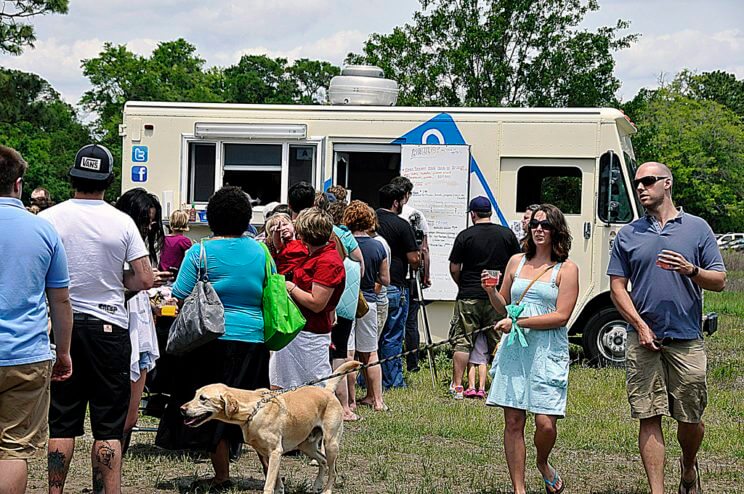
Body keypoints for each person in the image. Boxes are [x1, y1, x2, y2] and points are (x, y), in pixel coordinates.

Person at [40, 144, 154, 494]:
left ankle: (55, 490)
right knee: (107, 427)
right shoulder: (121, 221)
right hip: (109, 327)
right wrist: (118, 286)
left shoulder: (48, 219)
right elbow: (145, 278)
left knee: (61, 422)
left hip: (63, 328)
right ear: (108, 180)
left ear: (73, 176)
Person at [608, 162, 726, 494]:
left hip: (687, 338)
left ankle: (688, 467)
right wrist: (639, 326)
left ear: (667, 183)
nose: (641, 188)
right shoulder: (629, 234)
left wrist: (692, 270)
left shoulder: (697, 228)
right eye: (637, 183)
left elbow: (719, 280)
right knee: (649, 414)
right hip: (643, 339)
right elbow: (618, 286)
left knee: (691, 419)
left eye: (647, 181)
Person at [155, 186, 270, 491]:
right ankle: (271, 475)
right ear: (246, 218)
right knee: (256, 409)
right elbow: (271, 287)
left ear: (212, 218)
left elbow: (178, 294)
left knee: (213, 409)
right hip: (254, 338)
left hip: (210, 340)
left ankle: (221, 475)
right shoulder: (261, 251)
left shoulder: (200, 251)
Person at [482, 204, 579, 494]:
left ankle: (543, 462)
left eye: (546, 225)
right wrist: (491, 292)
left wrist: (520, 322)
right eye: (535, 224)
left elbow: (562, 316)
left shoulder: (567, 269)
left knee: (545, 423)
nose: (538, 229)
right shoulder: (515, 262)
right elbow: (503, 305)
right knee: (513, 421)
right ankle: (519, 488)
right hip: (516, 350)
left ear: (556, 231)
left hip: (547, 349)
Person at [0, 145, 73, 494]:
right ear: (18, 184)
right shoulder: (43, 231)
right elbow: (60, 299)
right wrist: (64, 352)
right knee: (14, 449)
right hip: (26, 353)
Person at [114, 188, 170, 455]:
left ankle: (114, 469)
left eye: (152, 221)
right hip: (121, 325)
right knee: (119, 414)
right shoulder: (116, 241)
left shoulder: (144, 244)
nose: (150, 226)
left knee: (131, 415)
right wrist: (142, 284)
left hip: (141, 322)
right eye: (145, 221)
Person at [448, 196, 521, 399]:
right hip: (497, 296)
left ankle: (457, 386)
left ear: (473, 214)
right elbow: (517, 263)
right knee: (498, 339)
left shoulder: (465, 236)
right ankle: (501, 383)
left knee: (463, 340)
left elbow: (454, 267)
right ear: (490, 213)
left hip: (469, 295)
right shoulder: (506, 235)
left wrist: (463, 284)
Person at [270, 207, 346, 389]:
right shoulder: (312, 254)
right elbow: (285, 255)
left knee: (315, 389)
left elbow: (317, 303)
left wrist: (291, 287)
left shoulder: (328, 262)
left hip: (311, 335)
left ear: (304, 235)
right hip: (295, 331)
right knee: (281, 384)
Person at [344, 201, 390, 411]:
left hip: (347, 301)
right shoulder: (378, 246)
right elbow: (386, 279)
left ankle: (350, 401)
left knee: (349, 352)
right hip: (369, 301)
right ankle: (378, 400)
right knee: (371, 352)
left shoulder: (344, 243)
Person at [375, 183, 420, 389]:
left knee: (370, 338)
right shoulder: (402, 225)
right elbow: (413, 259)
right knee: (392, 336)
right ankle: (392, 380)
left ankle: (365, 378)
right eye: (402, 200)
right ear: (395, 202)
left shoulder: (370, 220)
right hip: (395, 284)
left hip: (371, 285)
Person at [390, 176, 430, 373]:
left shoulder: (385, 214)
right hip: (409, 275)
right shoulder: (415, 215)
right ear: (406, 194)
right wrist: (426, 275)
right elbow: (424, 249)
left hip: (389, 274)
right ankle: (413, 362)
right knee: (411, 321)